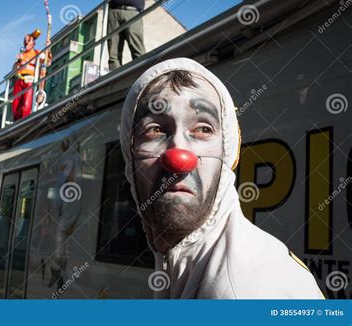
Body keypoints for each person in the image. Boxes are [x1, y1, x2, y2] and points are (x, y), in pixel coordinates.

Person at [119, 58, 325, 299]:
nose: (179, 157)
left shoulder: (246, 292)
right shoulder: (181, 267)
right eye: (155, 129)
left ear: (228, 153)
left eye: (203, 129)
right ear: (129, 154)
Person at [99, 0, 147, 70]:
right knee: (113, 51)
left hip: (132, 12)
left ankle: (141, 72)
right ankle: (115, 79)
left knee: (136, 46)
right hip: (113, 13)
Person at [12, 34, 48, 121]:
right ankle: (15, 121)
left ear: (33, 43)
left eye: (28, 41)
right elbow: (14, 69)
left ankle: (24, 120)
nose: (26, 43)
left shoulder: (37, 53)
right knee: (16, 105)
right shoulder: (22, 55)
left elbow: (47, 62)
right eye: (25, 41)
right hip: (19, 80)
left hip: (30, 80)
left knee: (26, 104)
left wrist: (48, 48)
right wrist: (19, 61)